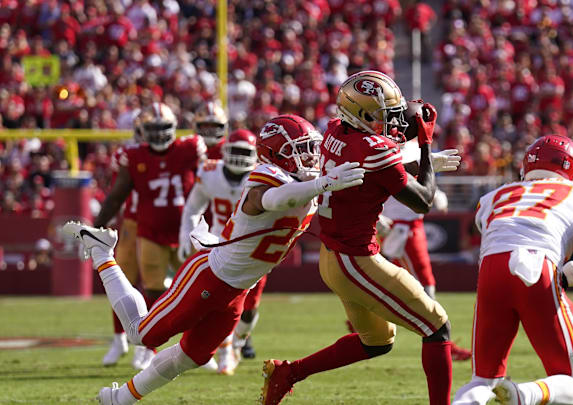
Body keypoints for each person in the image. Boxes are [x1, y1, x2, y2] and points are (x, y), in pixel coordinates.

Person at [63, 114, 365, 405]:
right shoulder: (267, 176)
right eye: (300, 150)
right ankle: (103, 252)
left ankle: (120, 398)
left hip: (239, 288)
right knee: (141, 334)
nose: (311, 156)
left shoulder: (306, 182)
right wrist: (323, 183)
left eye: (311, 148)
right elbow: (275, 199)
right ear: (276, 153)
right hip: (211, 275)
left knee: (191, 357)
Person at [260, 70, 462, 405]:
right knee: (436, 326)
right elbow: (423, 200)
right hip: (356, 260)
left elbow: (372, 171)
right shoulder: (372, 146)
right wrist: (425, 147)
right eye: (382, 116)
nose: (392, 123)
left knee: (377, 341)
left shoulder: (335, 130)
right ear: (361, 114)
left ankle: (287, 373)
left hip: (335, 257)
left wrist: (410, 158)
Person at [452, 135, 573, 405]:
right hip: (538, 265)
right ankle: (523, 395)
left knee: (482, 380)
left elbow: (508, 244)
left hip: (491, 272)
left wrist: (559, 276)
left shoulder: (493, 197)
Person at [93, 102, 207, 370]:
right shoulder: (133, 156)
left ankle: (206, 344)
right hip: (148, 230)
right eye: (152, 129)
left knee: (203, 289)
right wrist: (96, 226)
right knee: (153, 290)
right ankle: (148, 346)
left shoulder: (190, 148)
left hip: (187, 231)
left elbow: (212, 180)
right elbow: (115, 197)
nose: (158, 135)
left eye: (163, 128)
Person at [380, 141, 471, 361]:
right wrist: (376, 215)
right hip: (397, 226)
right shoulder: (380, 147)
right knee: (421, 283)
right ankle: (441, 338)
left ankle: (363, 321)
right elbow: (377, 183)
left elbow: (422, 178)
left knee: (400, 283)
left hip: (413, 223)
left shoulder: (413, 147)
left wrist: (436, 193)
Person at [178, 128, 259, 374]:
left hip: (253, 248)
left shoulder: (262, 176)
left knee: (249, 307)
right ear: (224, 151)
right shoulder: (210, 173)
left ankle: (237, 344)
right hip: (218, 243)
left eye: (243, 152)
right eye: (233, 150)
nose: (237, 156)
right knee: (214, 301)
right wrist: (186, 235)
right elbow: (193, 206)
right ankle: (220, 350)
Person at [103, 114, 149, 369]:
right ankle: (119, 338)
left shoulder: (172, 152)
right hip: (132, 221)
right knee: (121, 280)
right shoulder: (126, 154)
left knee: (158, 284)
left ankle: (149, 346)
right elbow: (117, 191)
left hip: (161, 224)